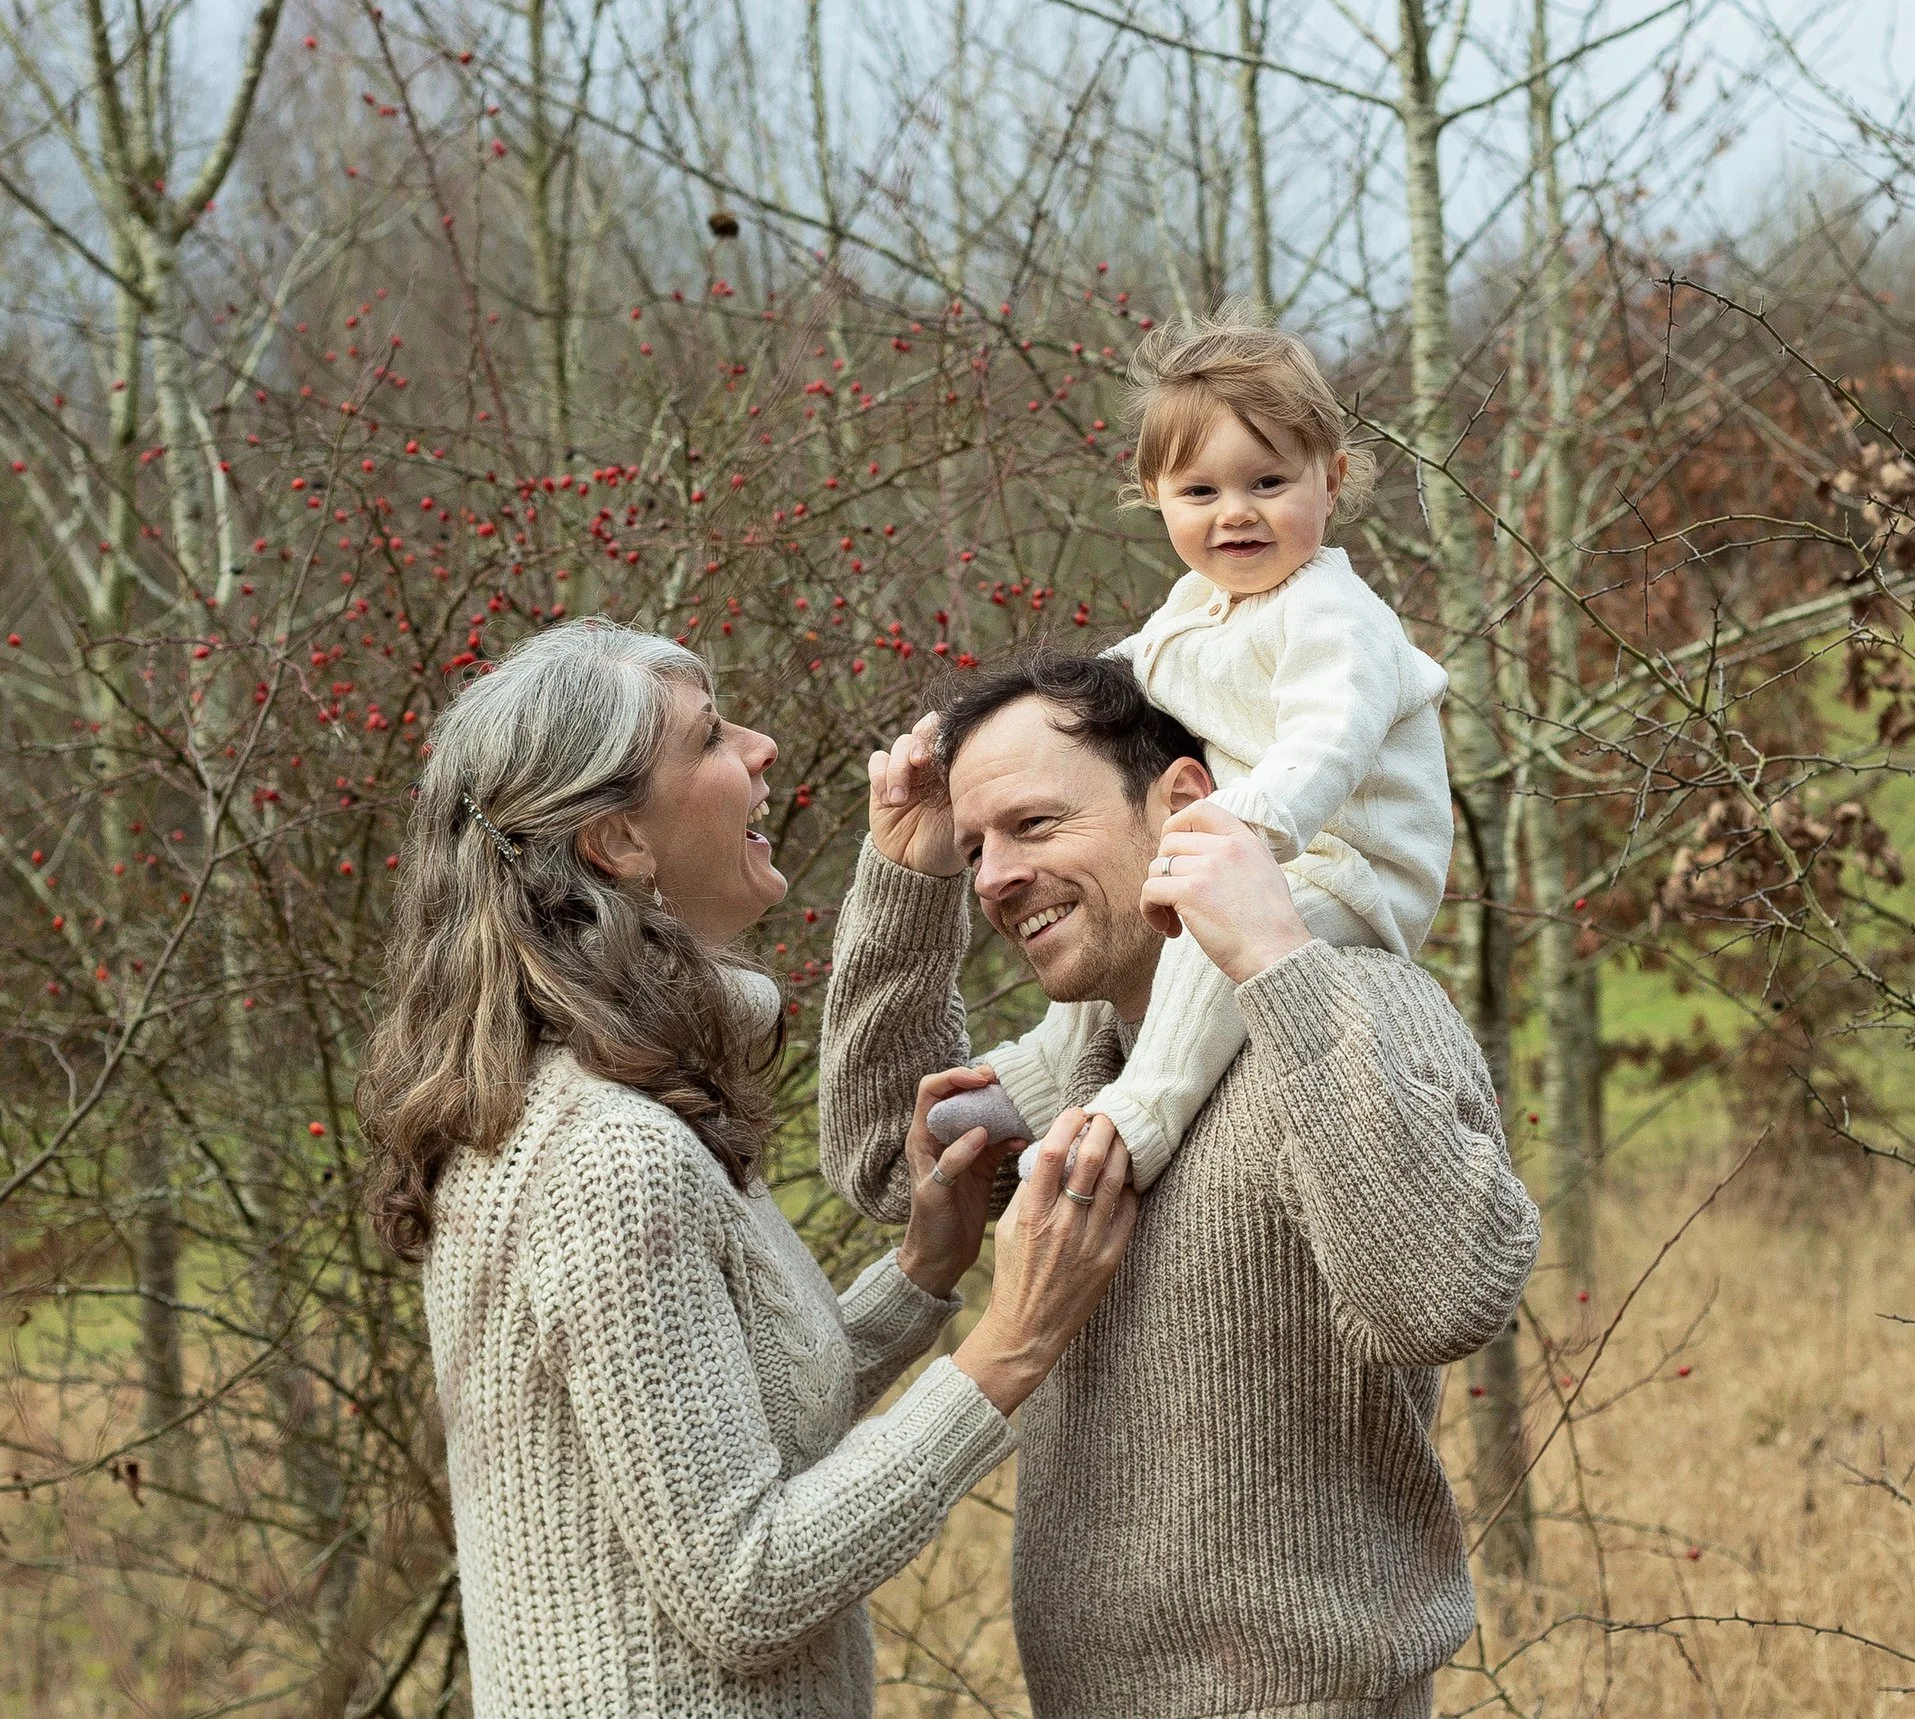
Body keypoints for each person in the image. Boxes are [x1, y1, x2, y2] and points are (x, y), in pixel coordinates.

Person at [356, 619, 1137, 1719]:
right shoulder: (607, 1156)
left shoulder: (601, 1099)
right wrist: (1014, 1344)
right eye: (713, 734)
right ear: (620, 841)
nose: (764, 747)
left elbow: (725, 1422)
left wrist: (920, 1274)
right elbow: (744, 1585)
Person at [819, 651, 1540, 1718]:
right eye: (977, 850)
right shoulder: (1088, 1056)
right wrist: (907, 876)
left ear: (1185, 806)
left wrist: (1274, 959)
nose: (993, 878)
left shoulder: (1350, 1001)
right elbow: (892, 1153)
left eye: (1033, 826)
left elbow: (1443, 1298)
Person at [927, 303, 1453, 1194]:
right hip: (1262, 847)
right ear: (1154, 497)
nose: (1235, 514)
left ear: (1331, 481)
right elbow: (1124, 673)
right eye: (1201, 493)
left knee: (1205, 938)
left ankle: (1142, 1118)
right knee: (1137, 926)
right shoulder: (1196, 605)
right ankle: (1042, 1078)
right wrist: (987, 731)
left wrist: (1250, 831)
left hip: (1347, 867)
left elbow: (1330, 739)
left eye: (1268, 483)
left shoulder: (1336, 615)